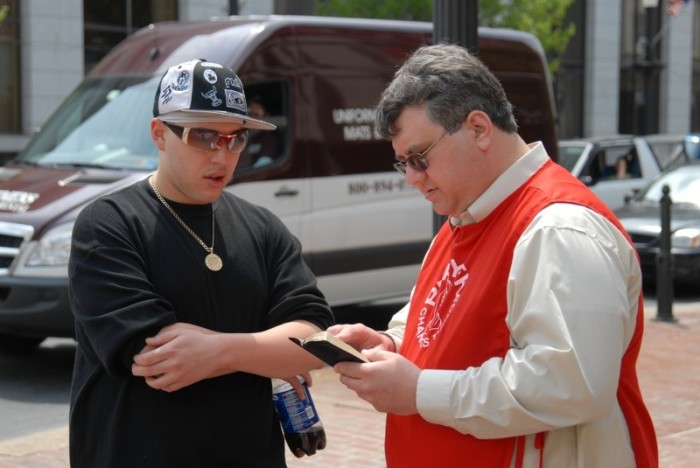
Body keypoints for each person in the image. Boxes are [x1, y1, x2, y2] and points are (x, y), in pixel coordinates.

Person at [329, 44, 658, 467]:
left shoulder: (558, 228)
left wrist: (418, 391)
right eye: (403, 163)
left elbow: (569, 384)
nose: (412, 177)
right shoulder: (466, 215)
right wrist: (388, 344)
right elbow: (432, 326)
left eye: (419, 157)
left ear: (480, 128)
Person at [68, 59, 333, 467]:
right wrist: (266, 351)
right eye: (204, 135)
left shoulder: (262, 227)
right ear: (160, 134)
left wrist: (218, 350)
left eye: (236, 138)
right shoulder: (109, 222)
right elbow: (158, 357)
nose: (222, 154)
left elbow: (316, 341)